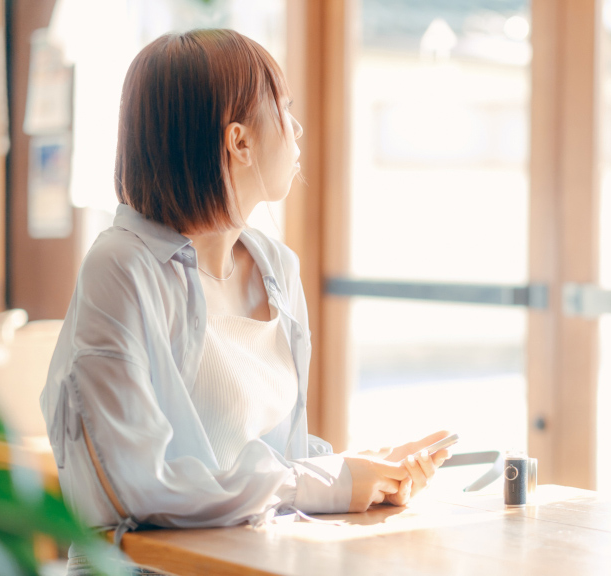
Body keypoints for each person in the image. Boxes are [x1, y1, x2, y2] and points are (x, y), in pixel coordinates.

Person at [40, 28, 450, 574]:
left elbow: (259, 463)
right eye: (283, 108)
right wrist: (329, 482)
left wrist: (363, 470)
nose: (297, 128)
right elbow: (136, 490)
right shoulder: (121, 267)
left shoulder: (277, 267)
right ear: (239, 142)